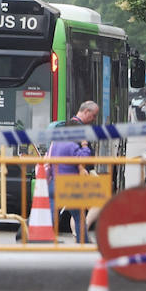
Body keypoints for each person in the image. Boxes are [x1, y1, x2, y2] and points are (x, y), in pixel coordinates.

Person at [47, 100, 99, 243]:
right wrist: (84, 145)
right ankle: (83, 240)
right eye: (93, 115)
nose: (94, 119)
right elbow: (83, 158)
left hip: (54, 182)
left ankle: (43, 237)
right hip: (69, 183)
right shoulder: (71, 145)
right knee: (78, 214)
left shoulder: (56, 144)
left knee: (53, 213)